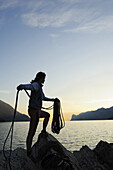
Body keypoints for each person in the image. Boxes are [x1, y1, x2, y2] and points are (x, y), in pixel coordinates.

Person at [17, 72, 56, 156]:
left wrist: (53, 100)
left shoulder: (39, 87)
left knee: (47, 115)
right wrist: (22, 86)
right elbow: (30, 86)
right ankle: (28, 151)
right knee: (32, 131)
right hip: (34, 111)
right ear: (40, 78)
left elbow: (43, 98)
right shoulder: (36, 85)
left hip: (37, 111)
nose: (44, 80)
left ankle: (44, 130)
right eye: (44, 78)